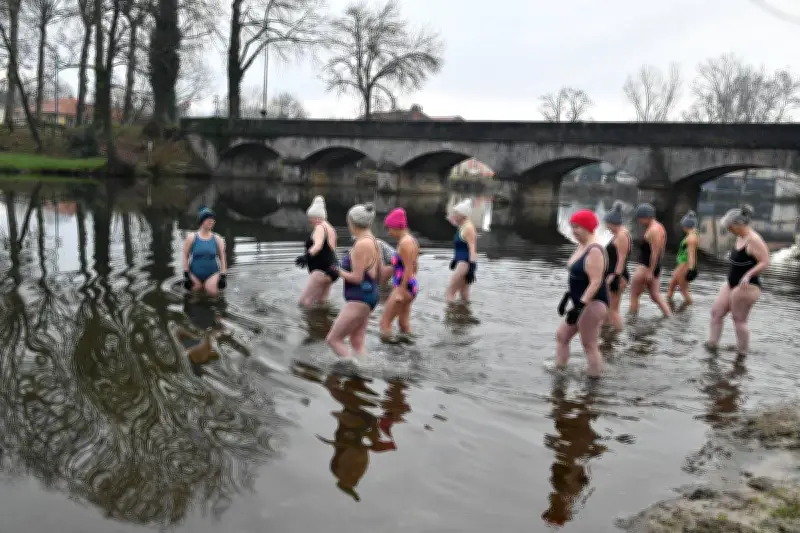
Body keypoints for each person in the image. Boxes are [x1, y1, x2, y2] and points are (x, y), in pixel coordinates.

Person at [707, 205, 769, 356]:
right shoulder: (739, 236)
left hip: (748, 286)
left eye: (729, 226)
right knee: (716, 312)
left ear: (738, 224)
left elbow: (765, 261)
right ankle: (711, 346)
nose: (728, 229)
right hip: (731, 283)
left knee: (739, 320)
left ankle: (742, 353)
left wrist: (748, 275)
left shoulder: (754, 240)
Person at [325, 203, 382, 363]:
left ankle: (353, 370)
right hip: (370, 295)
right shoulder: (373, 240)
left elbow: (357, 278)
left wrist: (337, 270)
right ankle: (364, 370)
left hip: (359, 297)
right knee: (357, 342)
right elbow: (378, 273)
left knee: (333, 340)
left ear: (351, 222)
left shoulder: (361, 244)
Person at [555, 209, 608, 377]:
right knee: (562, 336)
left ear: (588, 227)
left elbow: (596, 282)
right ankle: (560, 371)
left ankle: (594, 381)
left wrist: (579, 306)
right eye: (572, 226)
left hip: (592, 304)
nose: (573, 231)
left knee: (589, 345)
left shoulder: (595, 250)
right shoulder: (582, 245)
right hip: (579, 302)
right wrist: (567, 297)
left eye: (577, 227)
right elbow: (577, 277)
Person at [379, 208, 420, 341]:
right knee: (403, 324)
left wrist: (400, 292)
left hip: (403, 287)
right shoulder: (412, 240)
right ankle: (408, 350)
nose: (389, 232)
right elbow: (415, 266)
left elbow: (408, 268)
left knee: (385, 324)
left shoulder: (404, 243)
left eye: (389, 228)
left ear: (396, 226)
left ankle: (388, 355)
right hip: (411, 287)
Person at [628, 203, 672, 317]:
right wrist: (656, 268)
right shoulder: (660, 227)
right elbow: (661, 252)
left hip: (646, 268)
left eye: (640, 218)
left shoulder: (653, 230)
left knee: (633, 295)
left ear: (646, 217)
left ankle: (631, 321)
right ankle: (669, 317)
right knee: (655, 296)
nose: (639, 221)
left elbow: (655, 252)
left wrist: (650, 271)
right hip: (654, 267)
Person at [296, 196, 339, 308]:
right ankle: (324, 324)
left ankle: (307, 324)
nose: (310, 220)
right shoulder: (331, 228)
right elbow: (332, 250)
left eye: (311, 217)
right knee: (322, 303)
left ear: (317, 217)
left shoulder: (320, 227)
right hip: (333, 270)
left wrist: (306, 256)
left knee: (303, 303)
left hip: (320, 270)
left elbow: (318, 246)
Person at [183, 206, 227, 297]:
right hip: (194, 274)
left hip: (212, 274)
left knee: (212, 295)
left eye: (212, 219)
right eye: (208, 219)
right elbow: (185, 255)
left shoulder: (217, 238)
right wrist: (186, 275)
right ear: (202, 221)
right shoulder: (191, 237)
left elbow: (222, 258)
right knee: (194, 297)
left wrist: (223, 276)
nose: (211, 221)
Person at [602, 201, 632, 332]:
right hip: (614, 275)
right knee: (608, 309)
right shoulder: (620, 234)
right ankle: (607, 336)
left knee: (613, 310)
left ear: (612, 222)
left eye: (607, 224)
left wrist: (615, 278)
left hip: (617, 277)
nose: (607, 227)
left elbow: (621, 259)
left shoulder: (621, 236)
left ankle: (618, 335)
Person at [446, 199, 477, 303]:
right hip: (461, 262)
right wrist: (455, 259)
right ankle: (464, 316)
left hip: (464, 264)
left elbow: (472, 250)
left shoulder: (469, 228)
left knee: (450, 291)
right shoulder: (462, 226)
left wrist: (472, 268)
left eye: (456, 214)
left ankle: (450, 316)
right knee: (464, 293)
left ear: (463, 215)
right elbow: (461, 247)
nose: (454, 216)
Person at [666, 210, 700, 304]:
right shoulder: (693, 234)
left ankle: (690, 306)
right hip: (682, 264)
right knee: (672, 284)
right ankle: (668, 305)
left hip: (685, 265)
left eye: (683, 225)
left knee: (683, 289)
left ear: (686, 226)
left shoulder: (691, 238)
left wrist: (691, 269)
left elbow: (691, 255)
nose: (682, 227)